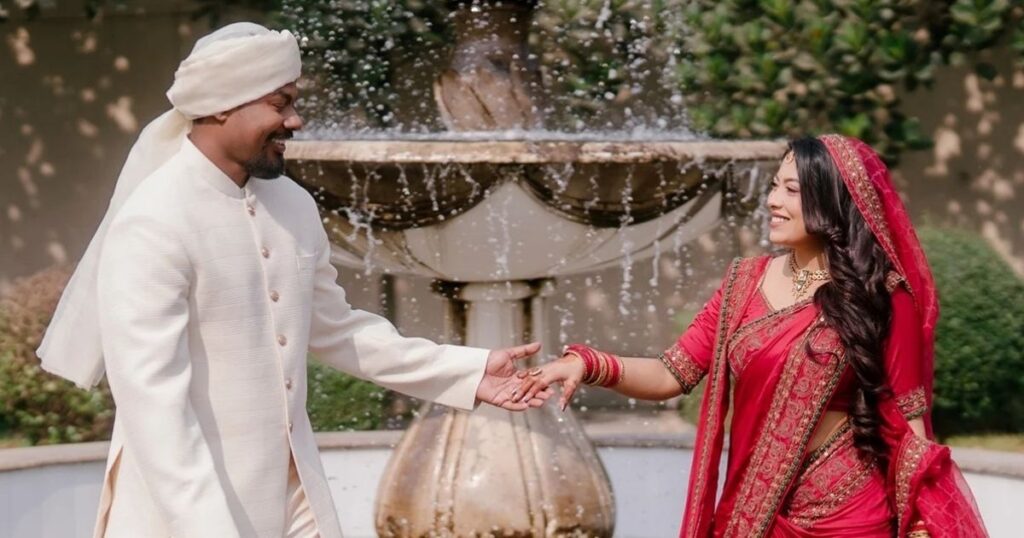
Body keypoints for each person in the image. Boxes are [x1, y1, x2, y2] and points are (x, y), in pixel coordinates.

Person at [36, 23, 549, 538]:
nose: (295, 120)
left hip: (292, 495)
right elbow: (154, 404)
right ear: (220, 105)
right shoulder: (155, 220)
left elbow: (336, 329)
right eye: (279, 104)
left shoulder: (292, 205)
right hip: (184, 514)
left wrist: (468, 371)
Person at [517, 134, 988, 537]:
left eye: (791, 190)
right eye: (774, 186)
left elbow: (910, 426)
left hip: (848, 512)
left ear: (832, 200)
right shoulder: (743, 283)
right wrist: (588, 364)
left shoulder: (882, 294)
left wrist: (921, 525)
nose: (772, 201)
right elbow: (670, 373)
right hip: (753, 514)